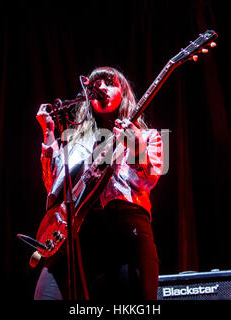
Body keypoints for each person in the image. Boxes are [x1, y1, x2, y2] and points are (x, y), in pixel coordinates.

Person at [34, 66, 164, 300]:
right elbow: (54, 188)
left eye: (109, 82)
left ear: (124, 92)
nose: (101, 87)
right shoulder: (75, 141)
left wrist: (135, 145)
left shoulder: (148, 136)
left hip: (125, 228)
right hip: (77, 232)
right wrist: (48, 134)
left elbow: (147, 181)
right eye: (95, 85)